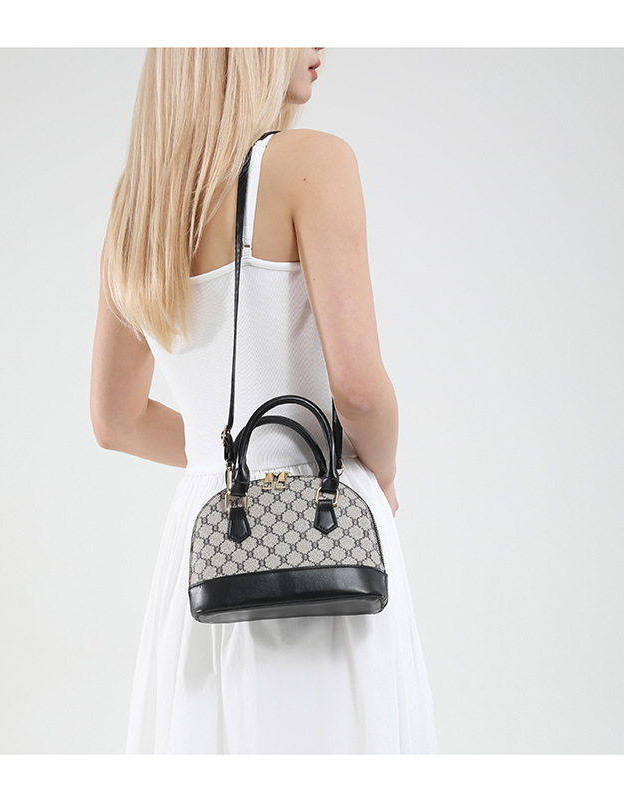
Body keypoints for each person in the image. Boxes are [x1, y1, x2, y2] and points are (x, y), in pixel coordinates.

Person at [90, 47, 437, 754]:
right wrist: (383, 469)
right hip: (321, 529)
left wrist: (225, 461)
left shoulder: (141, 203)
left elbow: (115, 420)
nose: (321, 39)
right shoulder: (313, 163)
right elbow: (359, 388)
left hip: (210, 543)